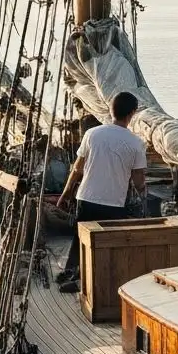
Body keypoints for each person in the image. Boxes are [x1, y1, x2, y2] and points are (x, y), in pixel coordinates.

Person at [52, 90, 148, 290]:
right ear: (132, 113)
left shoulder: (92, 134)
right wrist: (142, 194)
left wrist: (65, 195)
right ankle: (102, 281)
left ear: (110, 110)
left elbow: (77, 169)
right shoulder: (136, 143)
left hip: (86, 197)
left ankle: (73, 274)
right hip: (114, 203)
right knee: (108, 244)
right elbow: (139, 180)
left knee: (81, 240)